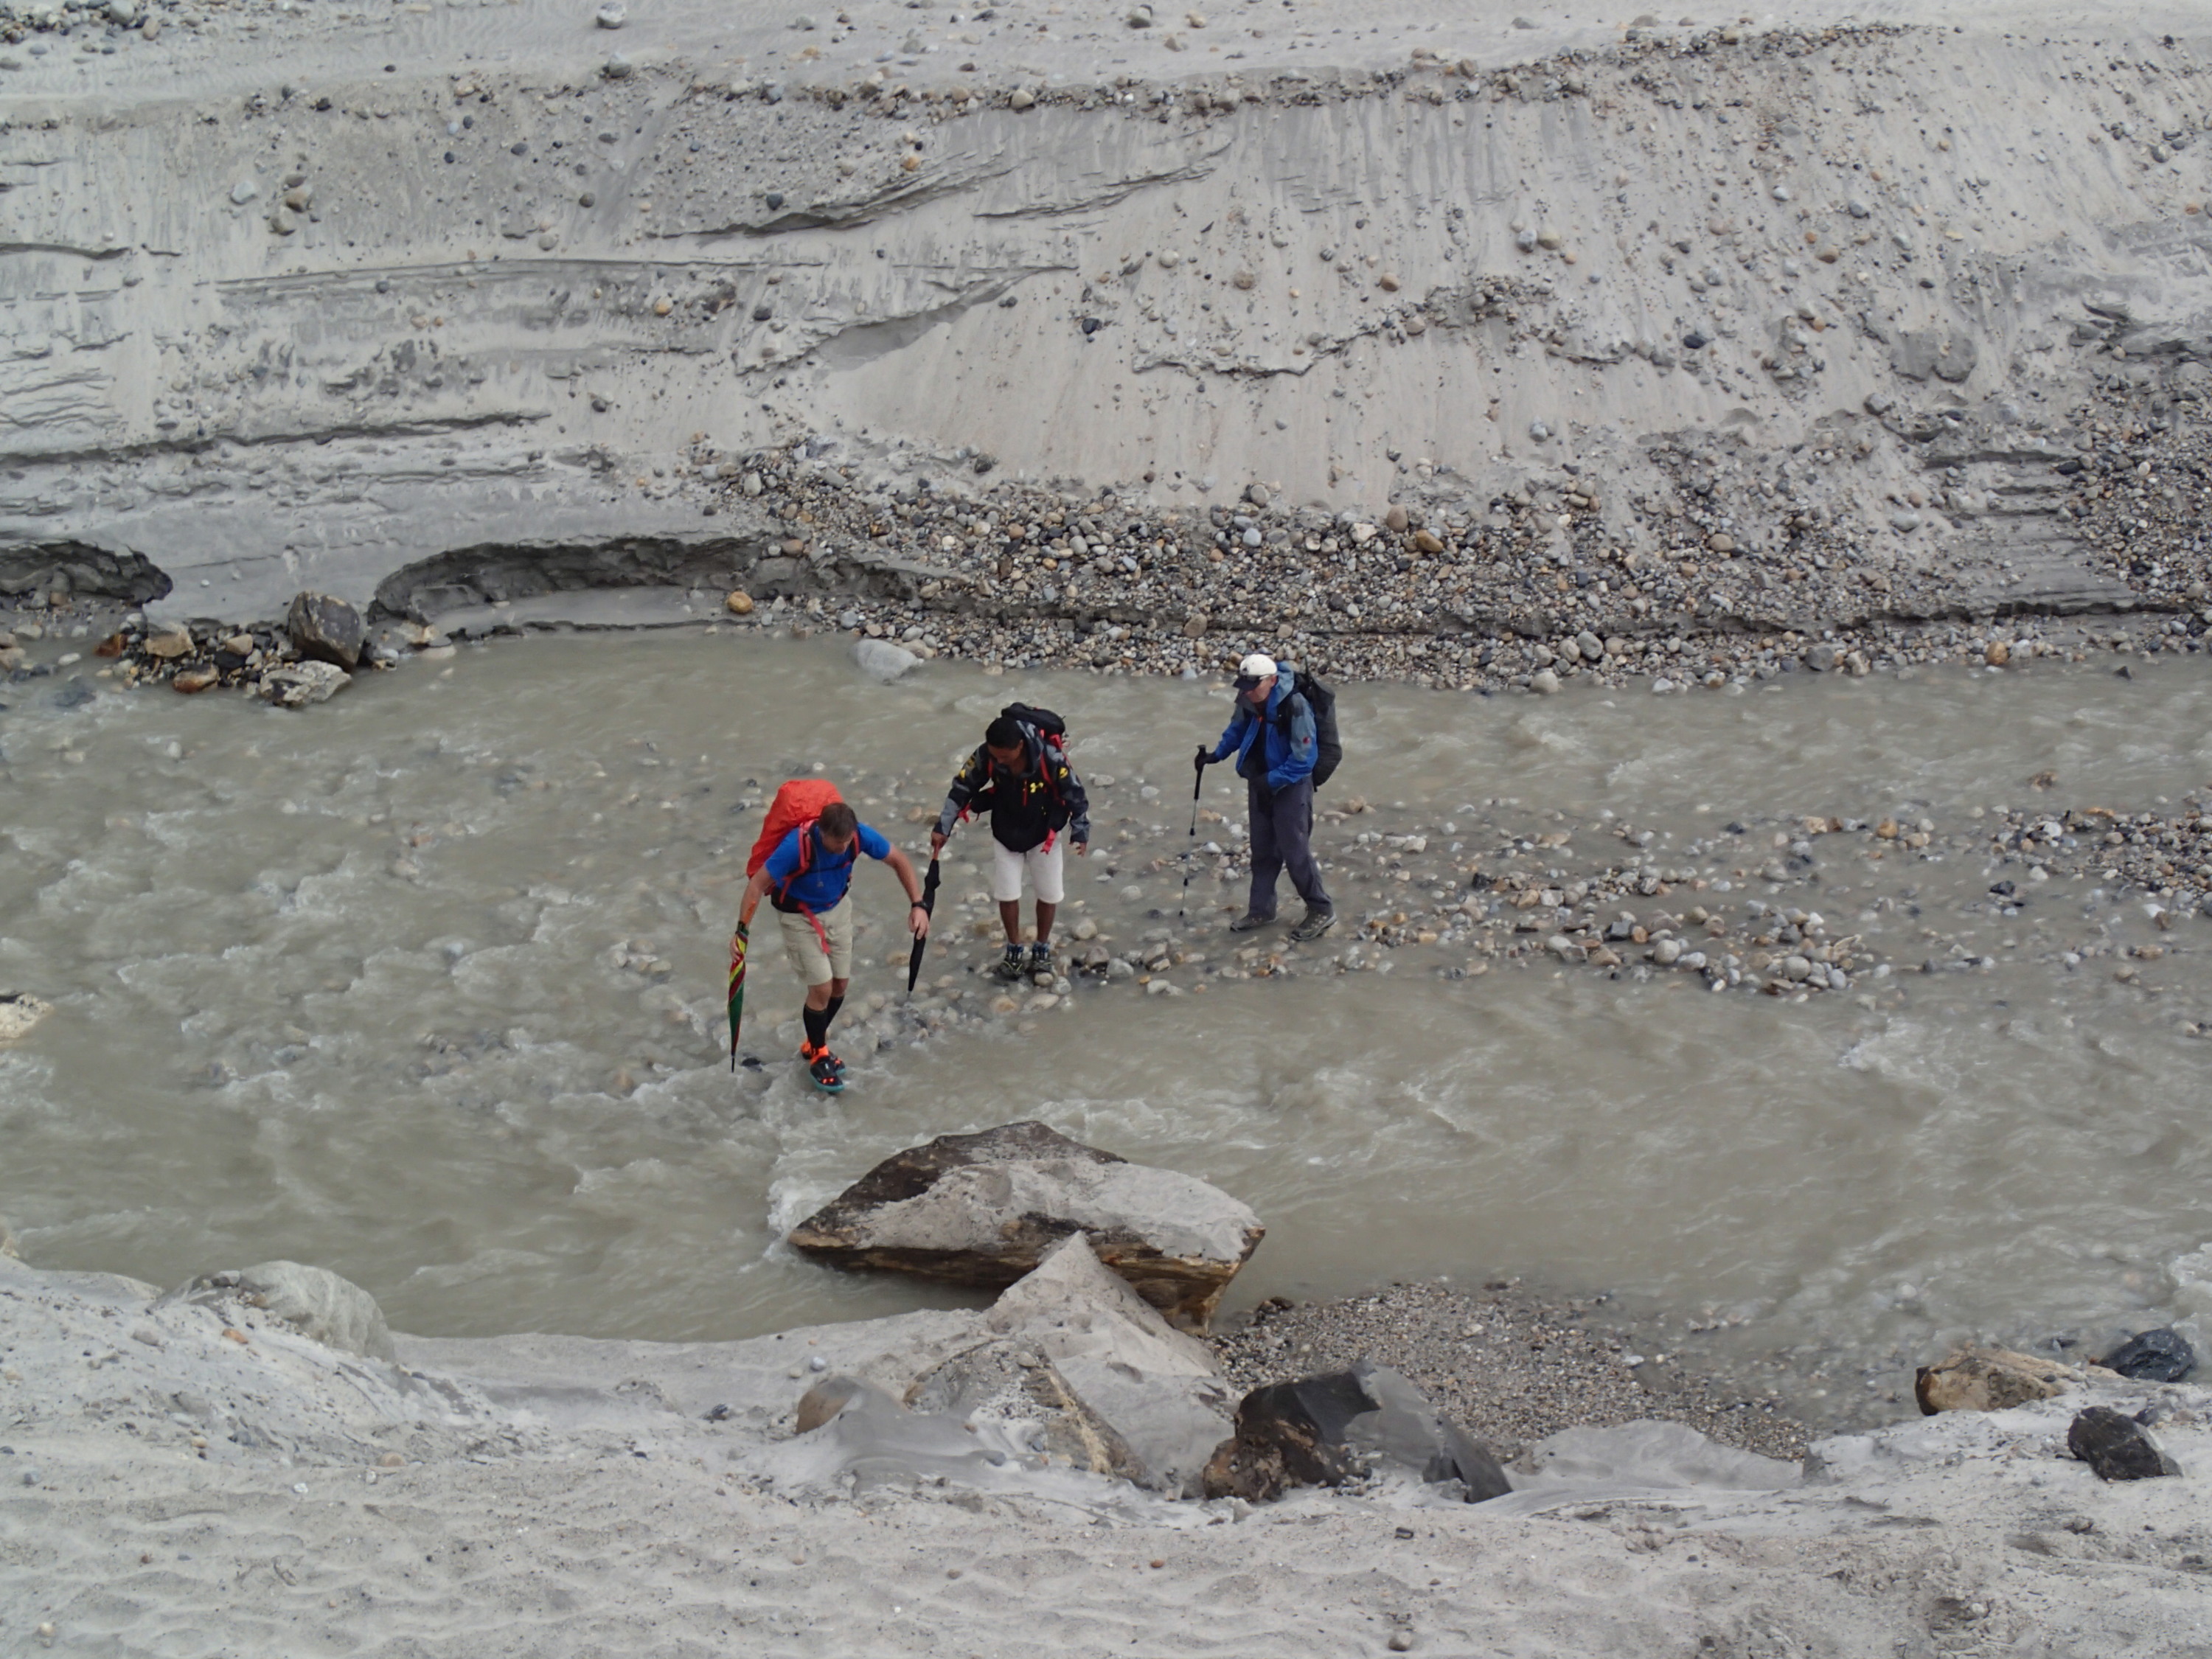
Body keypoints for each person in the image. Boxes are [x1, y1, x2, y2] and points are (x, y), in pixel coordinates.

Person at [740, 799, 928, 1092]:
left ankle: (812, 1043)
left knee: (840, 985)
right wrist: (741, 934)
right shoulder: (796, 847)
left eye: (847, 841)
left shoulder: (859, 836)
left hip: (838, 909)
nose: (843, 848)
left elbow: (898, 860)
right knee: (822, 988)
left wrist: (918, 905)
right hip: (798, 917)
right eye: (837, 842)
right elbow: (756, 885)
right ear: (821, 831)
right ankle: (819, 1053)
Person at [932, 711, 1091, 984]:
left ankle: (1042, 947)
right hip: (1006, 829)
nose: (998, 761)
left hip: (1043, 833)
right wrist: (942, 827)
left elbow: (1075, 794)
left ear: (1019, 746)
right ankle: (1014, 948)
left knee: (1050, 894)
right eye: (994, 756)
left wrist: (1081, 831)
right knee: (1007, 893)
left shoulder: (1050, 758)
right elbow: (961, 788)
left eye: (1004, 756)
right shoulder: (985, 755)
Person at [1197, 652, 1335, 941]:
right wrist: (1215, 756)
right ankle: (1262, 910)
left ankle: (1321, 909)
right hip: (1260, 780)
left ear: (1272, 681)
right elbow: (1236, 730)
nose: (1247, 691)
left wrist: (1271, 781)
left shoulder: (1295, 705)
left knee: (1295, 851)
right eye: (1244, 684)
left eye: (1253, 685)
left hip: (1291, 784)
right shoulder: (1249, 700)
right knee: (1262, 850)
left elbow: (1304, 760)